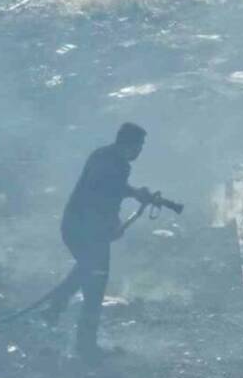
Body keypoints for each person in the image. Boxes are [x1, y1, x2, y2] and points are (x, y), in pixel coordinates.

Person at [43, 123, 160, 362]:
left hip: (77, 228)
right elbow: (102, 197)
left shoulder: (104, 156)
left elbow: (111, 188)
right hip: (87, 231)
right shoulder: (116, 164)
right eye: (139, 146)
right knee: (95, 285)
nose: (140, 151)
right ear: (130, 145)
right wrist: (111, 226)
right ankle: (85, 346)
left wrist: (135, 193)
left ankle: (55, 308)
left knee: (87, 270)